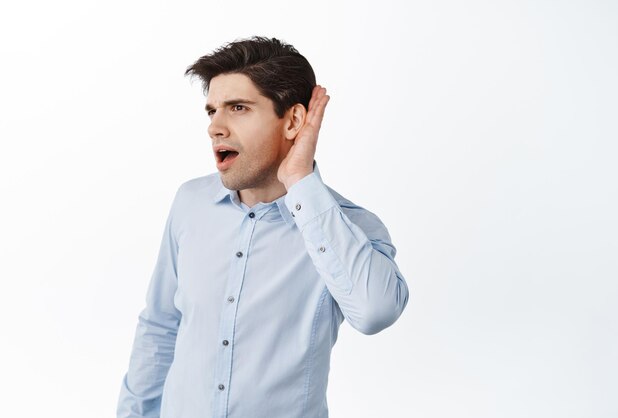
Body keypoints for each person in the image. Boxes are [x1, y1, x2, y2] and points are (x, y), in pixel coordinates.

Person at [117, 36, 409, 418]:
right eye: (211, 111)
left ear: (293, 121)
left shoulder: (348, 227)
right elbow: (160, 326)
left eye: (238, 107)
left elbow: (375, 312)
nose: (215, 128)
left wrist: (301, 182)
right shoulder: (190, 203)